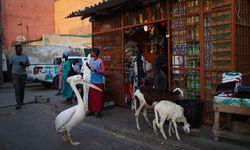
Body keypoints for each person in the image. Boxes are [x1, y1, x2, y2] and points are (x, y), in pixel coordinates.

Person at [10, 44, 30, 109]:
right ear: (16, 49)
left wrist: (24, 64)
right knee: (17, 89)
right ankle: (18, 104)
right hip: (15, 75)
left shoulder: (25, 57)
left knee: (22, 89)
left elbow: (28, 64)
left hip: (23, 75)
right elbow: (10, 66)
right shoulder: (13, 57)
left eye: (21, 49)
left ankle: (21, 101)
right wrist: (10, 76)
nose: (20, 50)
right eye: (19, 49)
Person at [86, 48, 105, 117]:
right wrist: (88, 66)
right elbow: (91, 70)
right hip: (92, 81)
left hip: (99, 82)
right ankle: (91, 110)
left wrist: (96, 70)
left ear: (95, 53)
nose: (90, 54)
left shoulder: (100, 61)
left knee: (99, 98)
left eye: (91, 52)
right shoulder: (90, 61)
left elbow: (103, 71)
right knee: (91, 97)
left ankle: (98, 111)